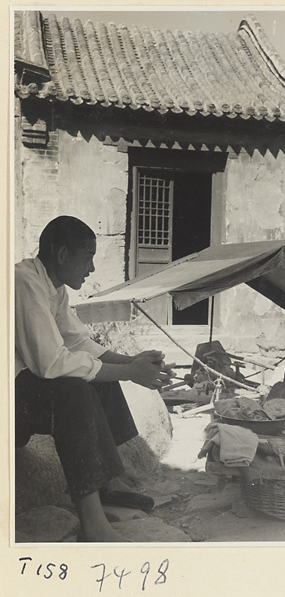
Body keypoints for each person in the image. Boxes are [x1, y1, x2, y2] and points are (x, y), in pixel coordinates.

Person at [15, 215, 175, 542]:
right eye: (88, 257)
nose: (90, 269)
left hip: (23, 395)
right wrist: (130, 373)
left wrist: (132, 362)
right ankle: (93, 524)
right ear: (62, 255)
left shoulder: (52, 286)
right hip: (10, 408)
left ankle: (107, 484)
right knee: (74, 386)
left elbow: (78, 343)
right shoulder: (23, 283)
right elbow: (52, 364)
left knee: (95, 371)